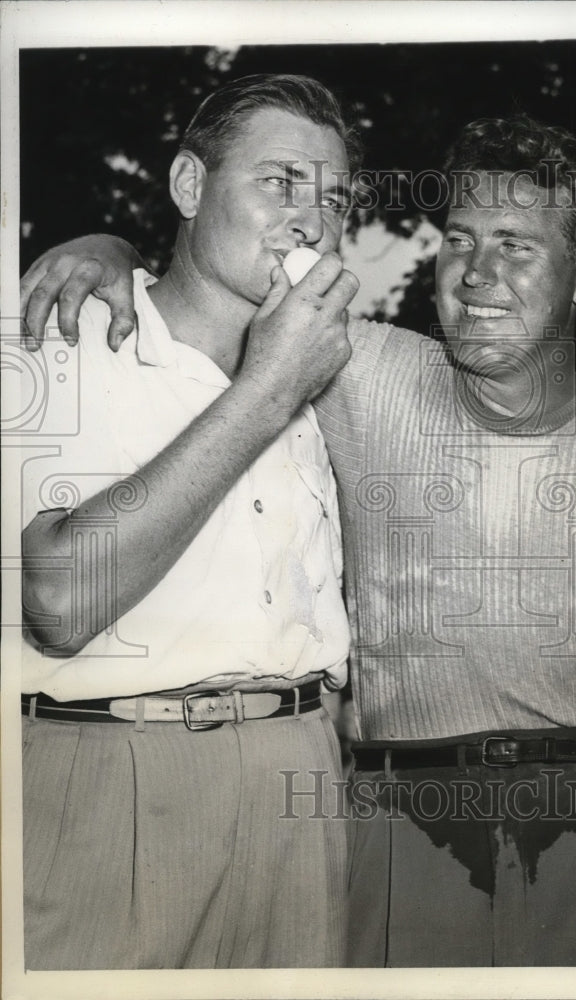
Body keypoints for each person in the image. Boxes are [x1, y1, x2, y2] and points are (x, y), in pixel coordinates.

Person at [19, 107, 576, 967]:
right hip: (402, 827)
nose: (477, 273)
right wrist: (107, 252)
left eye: (516, 245)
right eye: (460, 239)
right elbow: (219, 287)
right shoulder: (361, 367)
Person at [17, 74, 360, 969]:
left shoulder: (334, 370)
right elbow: (58, 600)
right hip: (112, 779)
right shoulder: (56, 342)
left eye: (335, 198)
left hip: (302, 783)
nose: (313, 219)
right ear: (188, 186)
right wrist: (268, 389)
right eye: (280, 181)